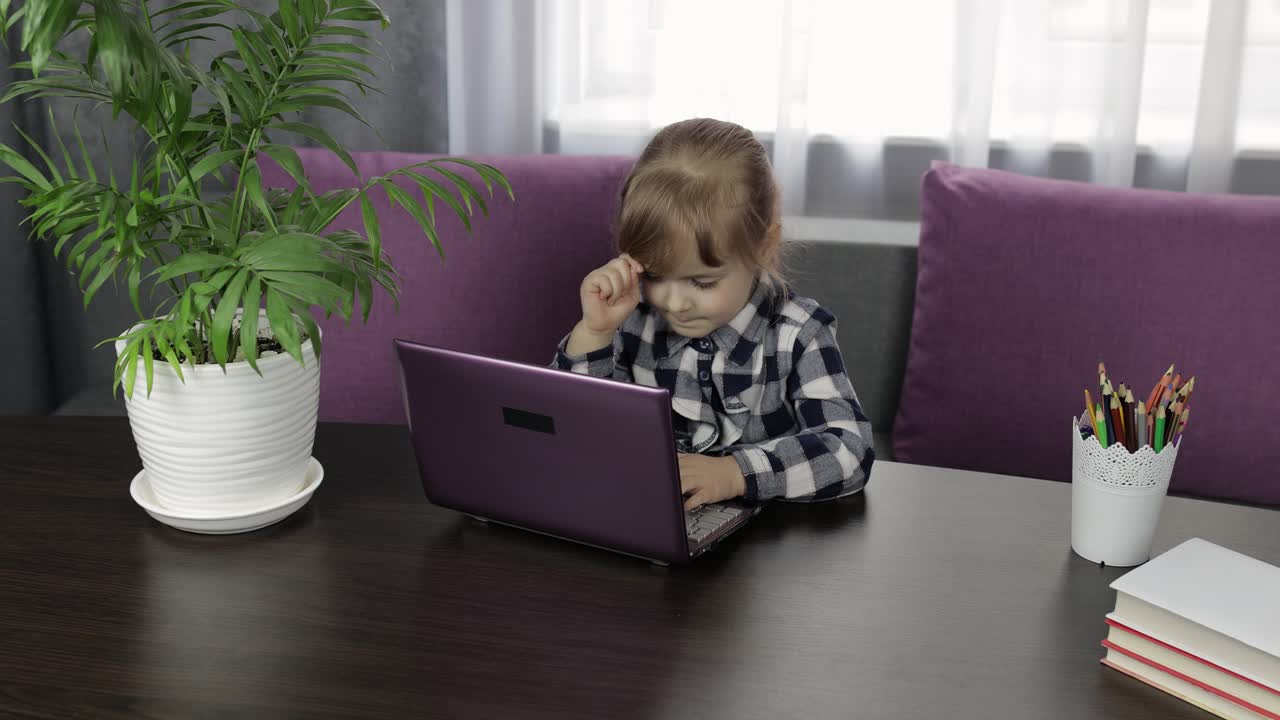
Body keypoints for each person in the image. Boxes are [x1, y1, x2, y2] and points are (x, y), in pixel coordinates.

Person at [554, 118, 874, 510]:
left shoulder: (798, 334)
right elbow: (569, 437)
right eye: (653, 274)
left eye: (702, 283)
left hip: (772, 551)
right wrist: (594, 332)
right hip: (651, 527)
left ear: (763, 245)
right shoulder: (631, 320)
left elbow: (849, 451)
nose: (672, 301)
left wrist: (736, 473)